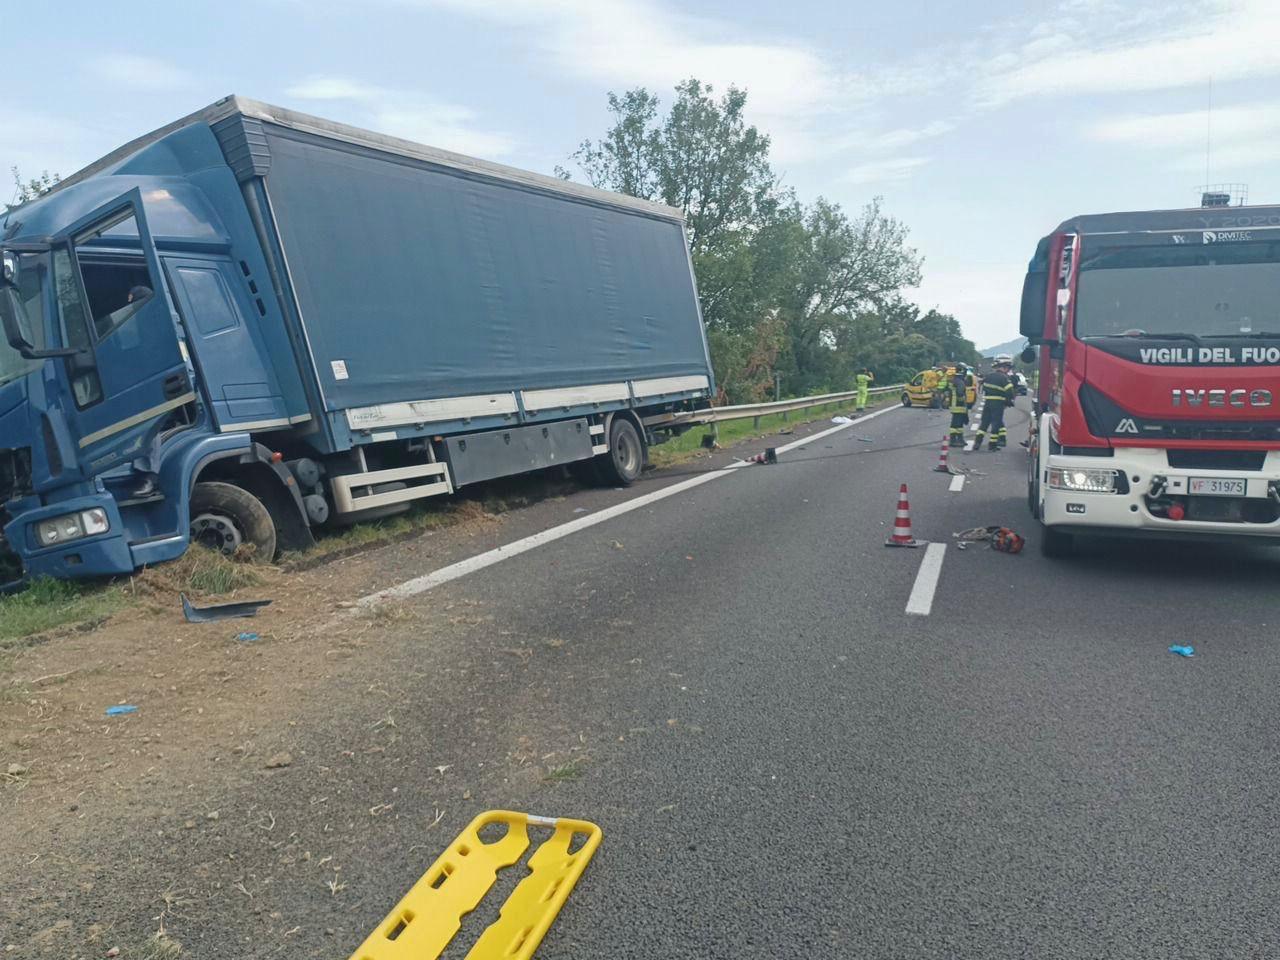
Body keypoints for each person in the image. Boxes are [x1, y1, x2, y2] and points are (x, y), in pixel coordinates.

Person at [974, 355, 1016, 451]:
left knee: (984, 424)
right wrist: (1009, 401)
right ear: (1004, 368)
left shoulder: (989, 376)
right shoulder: (1004, 378)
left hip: (987, 402)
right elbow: (1009, 391)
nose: (1008, 370)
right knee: (996, 424)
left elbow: (983, 386)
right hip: (998, 403)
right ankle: (992, 445)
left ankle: (977, 443)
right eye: (1008, 368)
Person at [946, 367, 968, 447]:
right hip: (959, 406)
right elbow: (960, 392)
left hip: (954, 405)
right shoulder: (960, 382)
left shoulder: (954, 380)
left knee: (956, 423)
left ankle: (956, 439)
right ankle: (956, 440)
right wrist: (962, 401)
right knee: (958, 424)